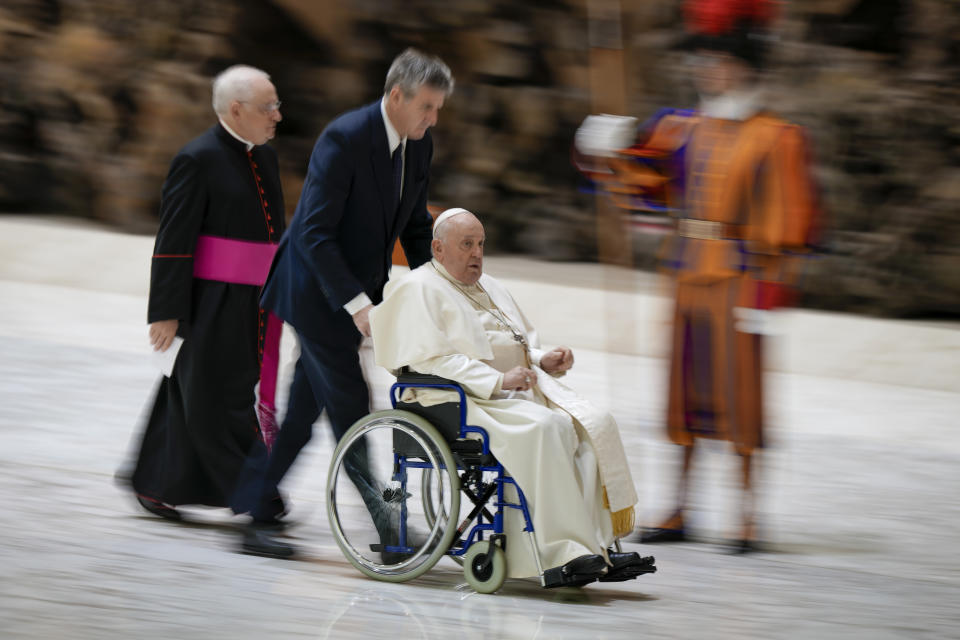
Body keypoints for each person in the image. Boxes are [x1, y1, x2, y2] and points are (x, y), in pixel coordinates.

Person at [575, 0, 820, 552]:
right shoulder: (681, 128)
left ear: (746, 66)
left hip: (740, 281)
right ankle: (681, 505)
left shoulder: (776, 137)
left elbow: (789, 220)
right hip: (686, 273)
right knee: (682, 394)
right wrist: (606, 152)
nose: (706, 68)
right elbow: (645, 181)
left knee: (741, 397)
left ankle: (747, 514)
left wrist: (770, 291)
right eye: (704, 58)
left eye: (719, 58)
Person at [237, 48, 453, 557]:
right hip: (316, 293)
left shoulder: (420, 144)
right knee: (354, 410)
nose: (433, 117)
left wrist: (440, 288)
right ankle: (391, 525)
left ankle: (256, 505)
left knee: (301, 416)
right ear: (396, 95)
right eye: (426, 106)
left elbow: (417, 224)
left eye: (439, 108)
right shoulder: (345, 138)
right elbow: (314, 233)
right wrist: (357, 305)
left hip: (356, 296)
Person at [369, 208, 656, 587]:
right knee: (548, 427)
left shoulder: (489, 285)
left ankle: (599, 546)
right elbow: (434, 359)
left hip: (506, 393)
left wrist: (542, 359)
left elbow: (511, 342)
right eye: (467, 244)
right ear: (438, 248)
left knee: (591, 423)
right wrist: (498, 380)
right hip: (458, 400)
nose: (477, 253)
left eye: (481, 244)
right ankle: (562, 553)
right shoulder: (419, 289)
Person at [125, 65, 287, 532]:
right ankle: (257, 492)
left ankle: (157, 485)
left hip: (253, 302)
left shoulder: (266, 159)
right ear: (235, 110)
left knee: (191, 394)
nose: (278, 115)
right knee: (215, 398)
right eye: (268, 106)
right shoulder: (196, 158)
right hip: (207, 303)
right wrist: (166, 313)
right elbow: (173, 241)